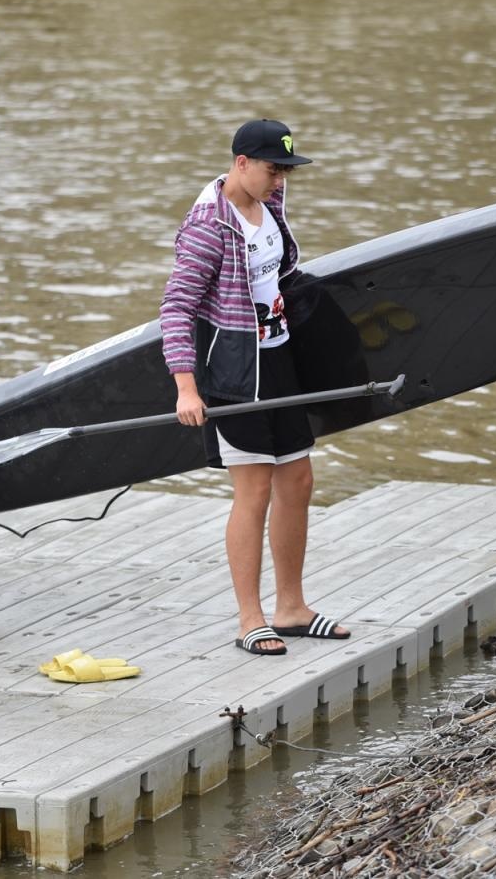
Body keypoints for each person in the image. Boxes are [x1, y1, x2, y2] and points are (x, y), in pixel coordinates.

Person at [160, 119, 352, 656]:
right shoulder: (207, 227)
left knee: (299, 481)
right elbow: (176, 308)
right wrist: (186, 388)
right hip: (234, 374)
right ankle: (251, 619)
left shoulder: (269, 201)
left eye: (286, 170)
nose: (281, 180)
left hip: (280, 359)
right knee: (255, 490)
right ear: (241, 162)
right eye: (273, 169)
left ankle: (291, 608)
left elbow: (276, 272)